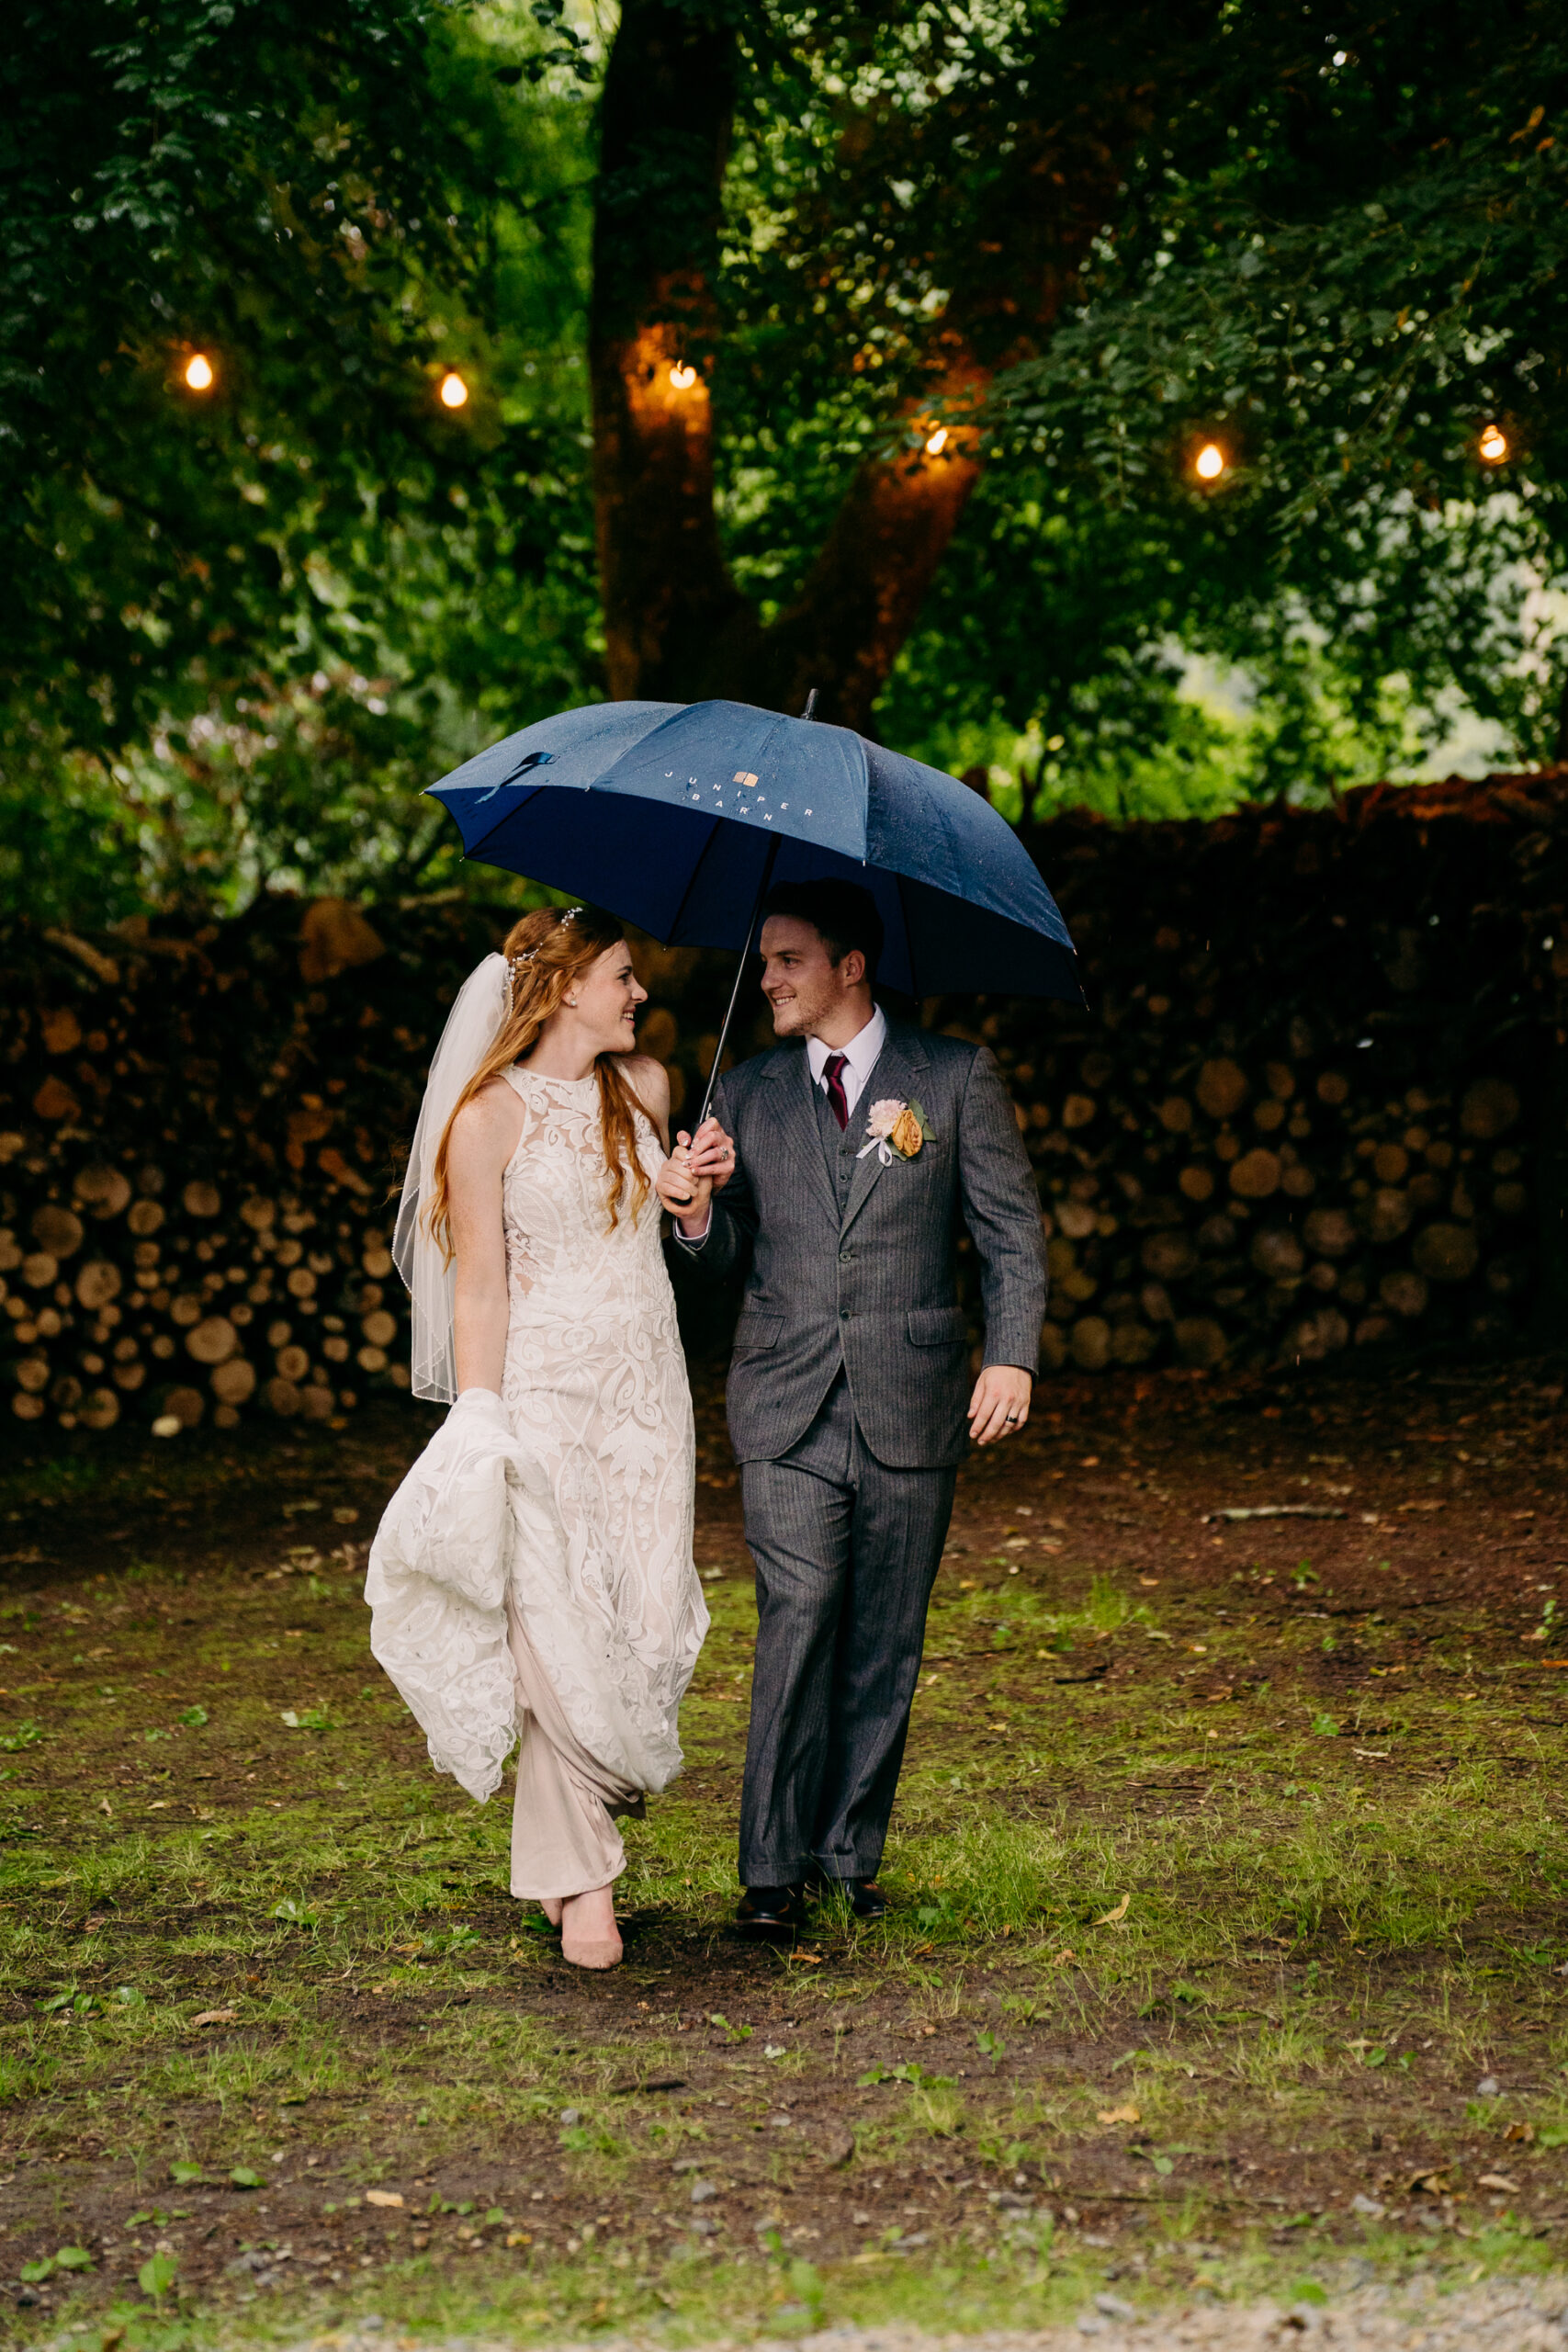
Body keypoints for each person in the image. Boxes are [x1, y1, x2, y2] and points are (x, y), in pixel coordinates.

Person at [654, 878, 1045, 1937]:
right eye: (766, 961)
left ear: (850, 967)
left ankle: (848, 1855)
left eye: (786, 960)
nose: (769, 978)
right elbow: (723, 1257)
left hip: (914, 1401)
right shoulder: (740, 1092)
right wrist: (693, 1215)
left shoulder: (952, 1079)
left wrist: (1009, 1358)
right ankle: (771, 1869)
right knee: (800, 1613)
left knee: (886, 1636)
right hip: (784, 1401)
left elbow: (1009, 1233)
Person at [367, 906, 712, 1970]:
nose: (639, 993)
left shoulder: (648, 1092)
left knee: (645, 1623)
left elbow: (680, 1231)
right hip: (546, 1396)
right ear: (564, 987)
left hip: (650, 1398)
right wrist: (480, 1418)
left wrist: (686, 1200)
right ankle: (587, 1886)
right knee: (559, 1623)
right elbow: (480, 1290)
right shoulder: (486, 1120)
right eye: (622, 974)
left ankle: (563, 1866)